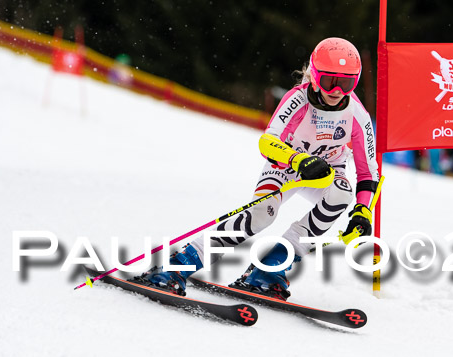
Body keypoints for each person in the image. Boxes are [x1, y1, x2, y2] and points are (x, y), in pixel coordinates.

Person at [137, 37, 380, 300]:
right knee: (262, 214)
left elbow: (368, 173)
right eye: (329, 81)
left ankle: (271, 268)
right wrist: (298, 160)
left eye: (347, 83)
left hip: (325, 172)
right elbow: (268, 141)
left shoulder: (357, 113)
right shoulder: (298, 100)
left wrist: (363, 211)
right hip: (287, 166)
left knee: (342, 194)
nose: (337, 91)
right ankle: (179, 264)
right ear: (314, 75)